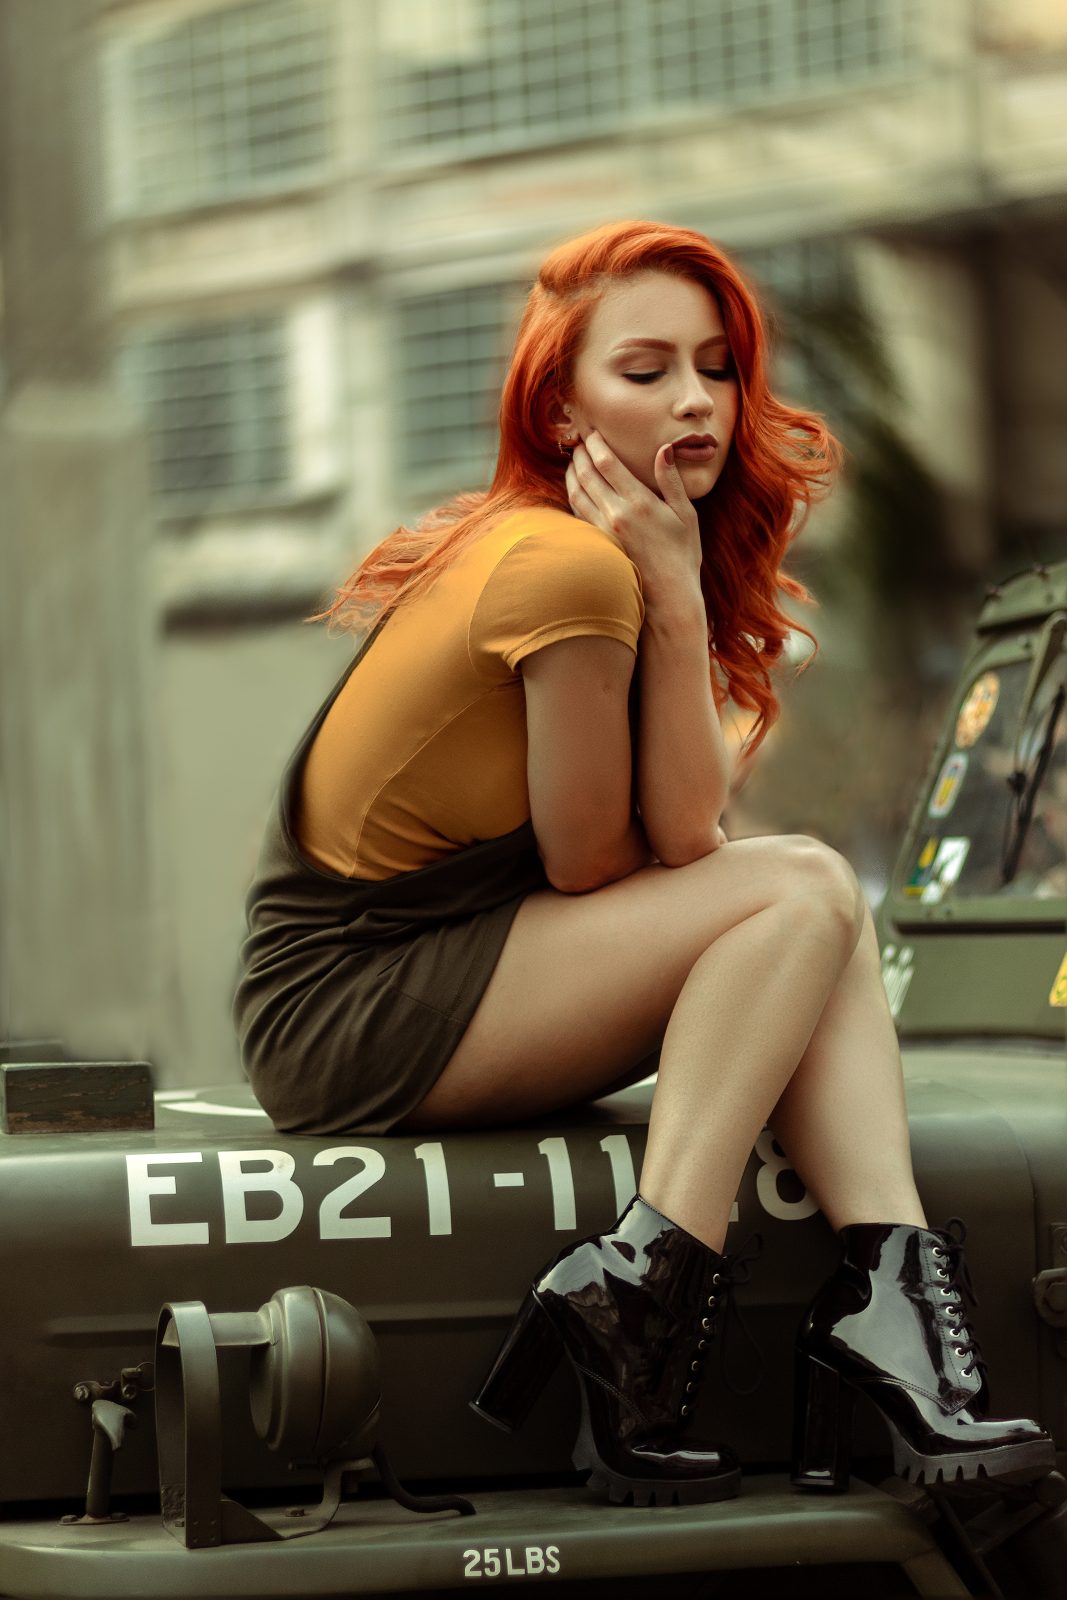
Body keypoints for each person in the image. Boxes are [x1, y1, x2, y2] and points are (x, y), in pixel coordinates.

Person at [233, 219, 1054, 1509]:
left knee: (808, 906)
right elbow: (617, 864)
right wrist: (672, 600)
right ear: (559, 406)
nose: (695, 400)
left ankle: (887, 1321)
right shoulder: (561, 565)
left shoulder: (609, 556)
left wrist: (678, 595)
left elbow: (680, 850)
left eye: (719, 367)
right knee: (805, 887)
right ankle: (655, 1289)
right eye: (646, 368)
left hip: (461, 959)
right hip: (356, 997)